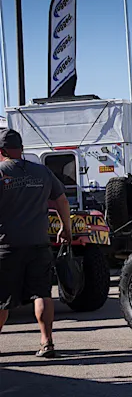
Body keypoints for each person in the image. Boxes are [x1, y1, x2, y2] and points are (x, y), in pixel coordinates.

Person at [0, 129, 72, 357]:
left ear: (1, 151)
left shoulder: (1, 172)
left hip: (7, 245)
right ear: (21, 149)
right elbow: (61, 200)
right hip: (39, 243)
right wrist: (66, 228)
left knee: (2, 299)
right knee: (42, 293)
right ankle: (47, 342)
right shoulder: (42, 171)